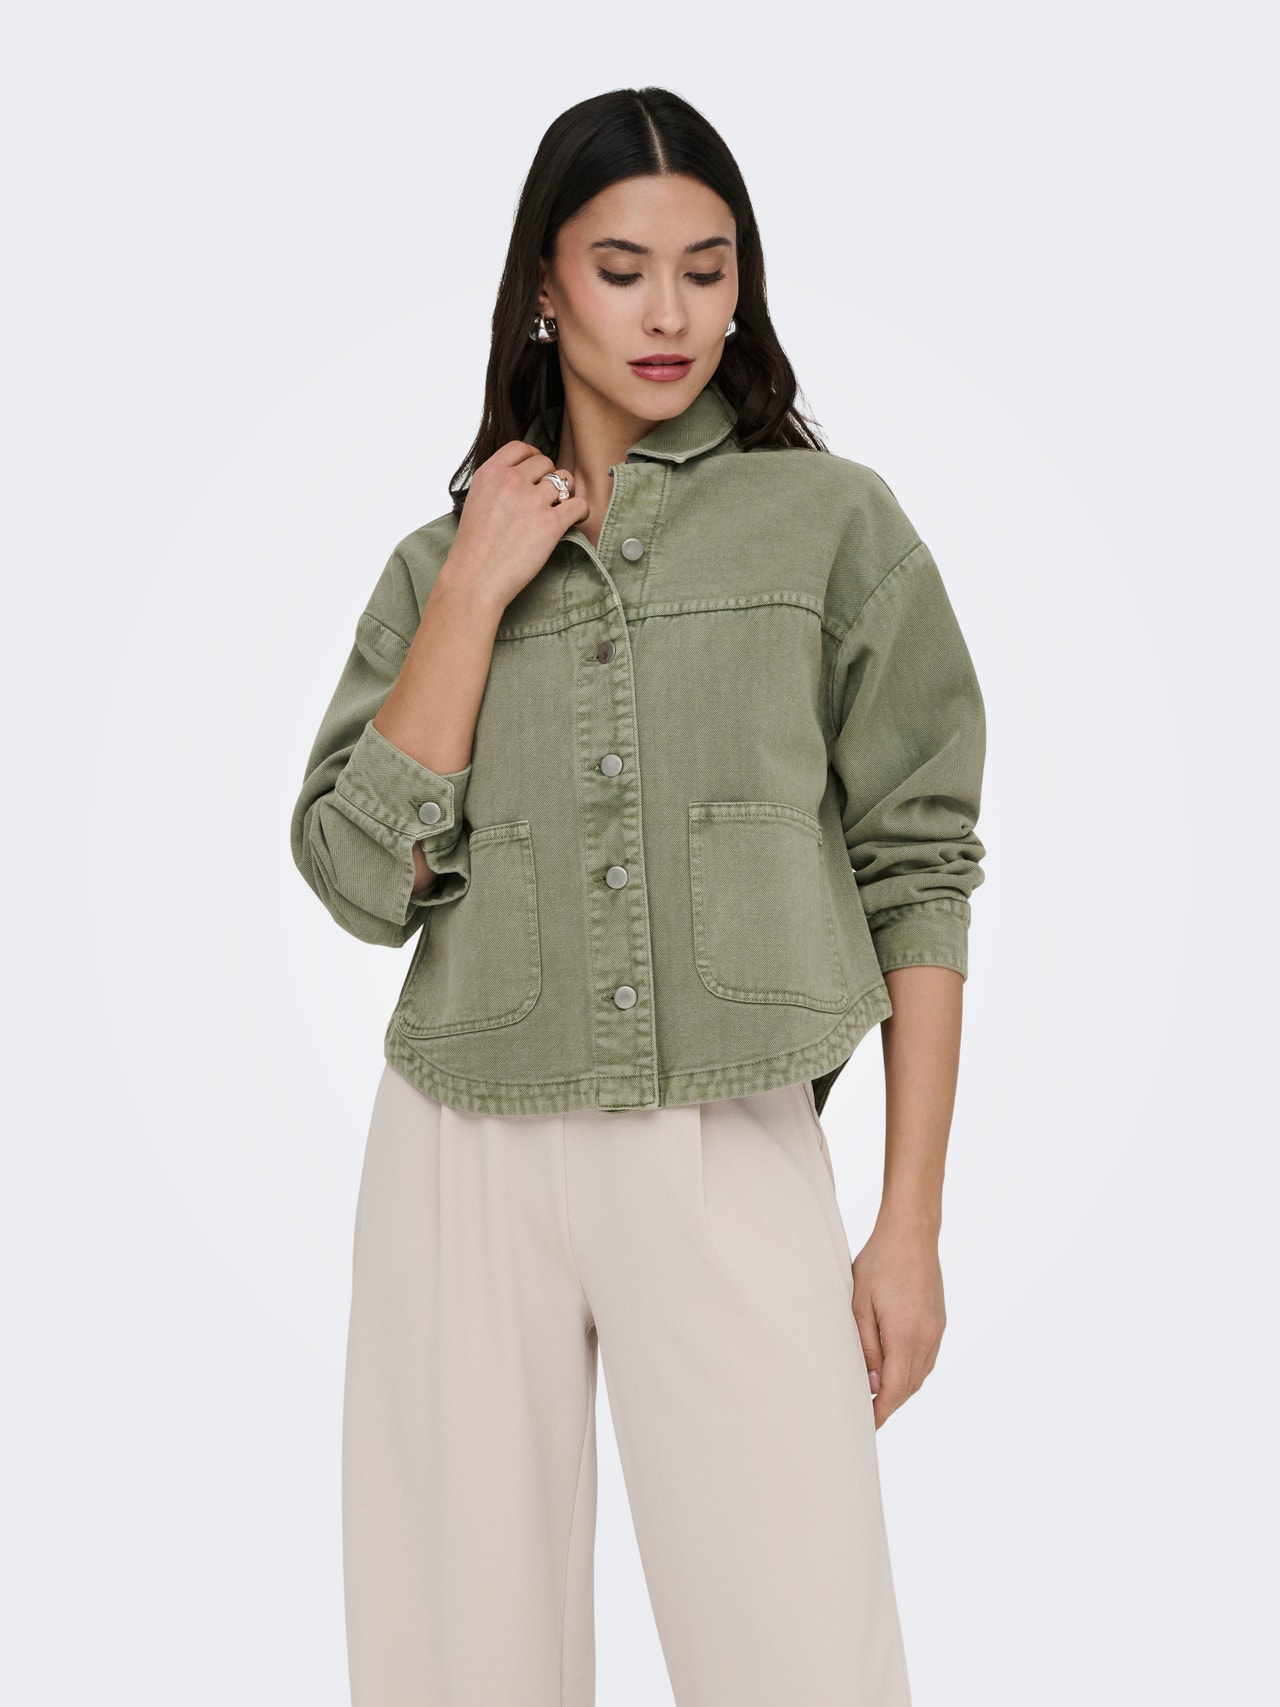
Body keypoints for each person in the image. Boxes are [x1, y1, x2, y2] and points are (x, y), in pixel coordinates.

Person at [290, 85, 987, 1707]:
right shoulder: (438, 565)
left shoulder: (832, 527)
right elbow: (357, 881)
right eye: (621, 270)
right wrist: (476, 589)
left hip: (729, 1135)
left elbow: (920, 863)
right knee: (455, 1657)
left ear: (745, 280)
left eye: (706, 266)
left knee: (800, 1649)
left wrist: (909, 1225)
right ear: (545, 282)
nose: (670, 312)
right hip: (463, 1142)